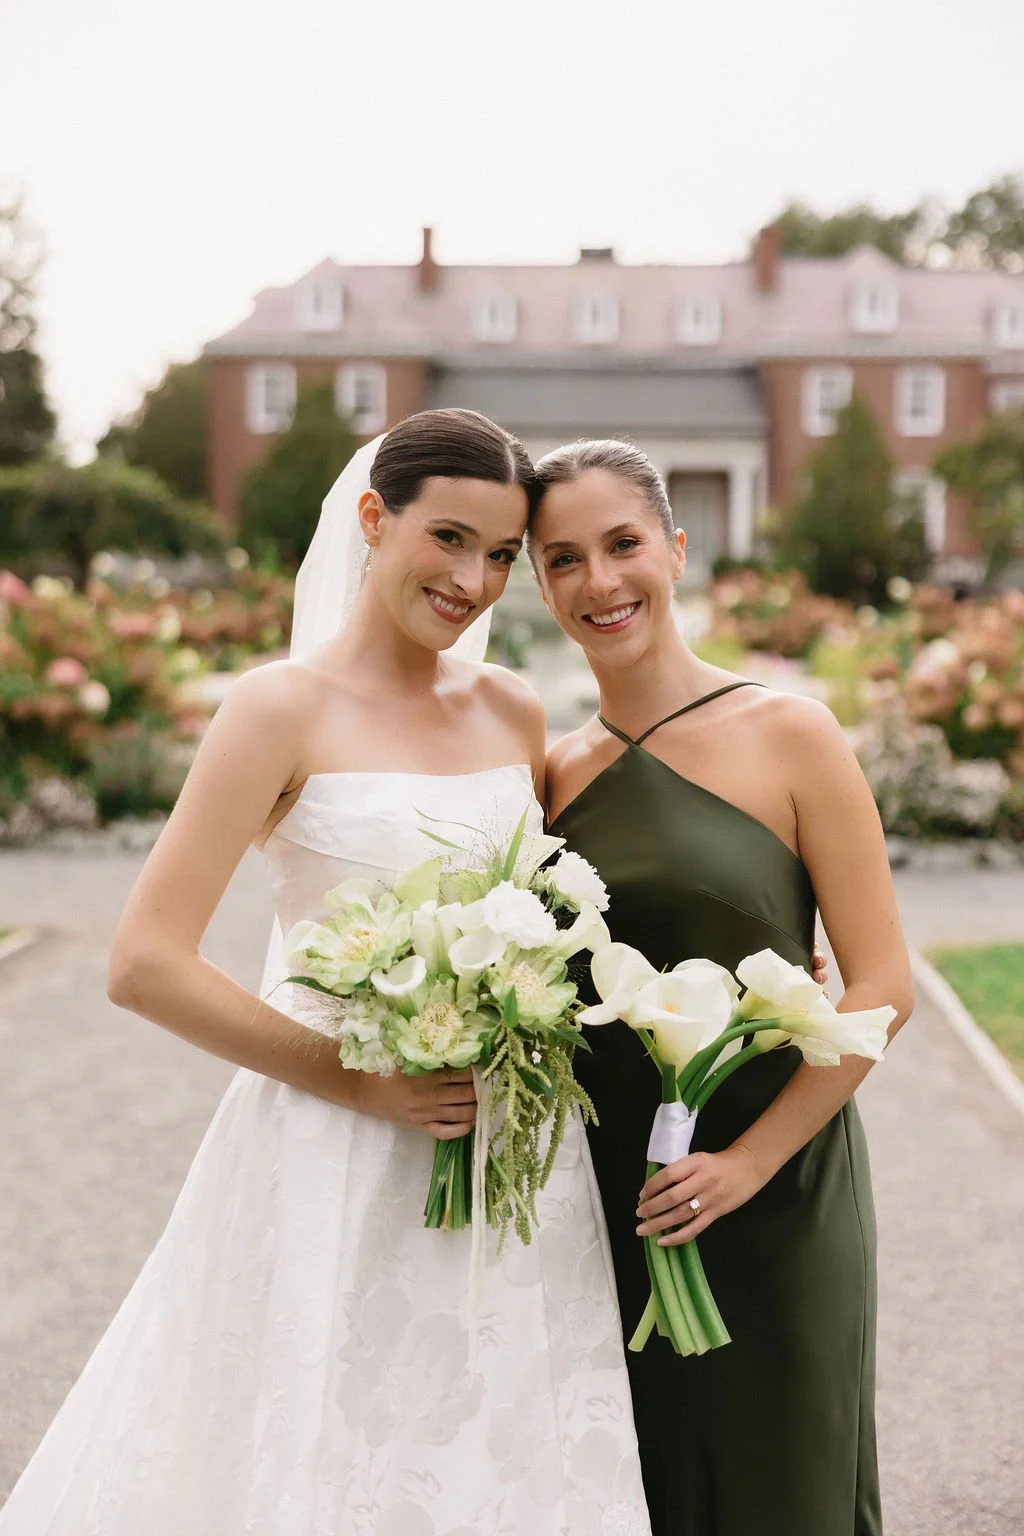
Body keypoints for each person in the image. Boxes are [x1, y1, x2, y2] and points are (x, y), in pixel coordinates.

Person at [0, 412, 650, 1536]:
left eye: (500, 555)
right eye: (447, 538)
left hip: (503, 1154)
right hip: (330, 1140)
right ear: (371, 519)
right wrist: (354, 1080)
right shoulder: (275, 709)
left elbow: (555, 906)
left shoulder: (512, 710)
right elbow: (143, 961)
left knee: (487, 1449)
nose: (473, 579)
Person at [530, 438, 915, 1536]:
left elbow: (883, 984)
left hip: (775, 1183)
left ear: (676, 549)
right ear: (541, 583)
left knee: (780, 1480)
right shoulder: (551, 774)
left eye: (621, 545)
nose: (599, 583)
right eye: (562, 560)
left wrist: (746, 1163)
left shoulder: (792, 734)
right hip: (615, 1198)